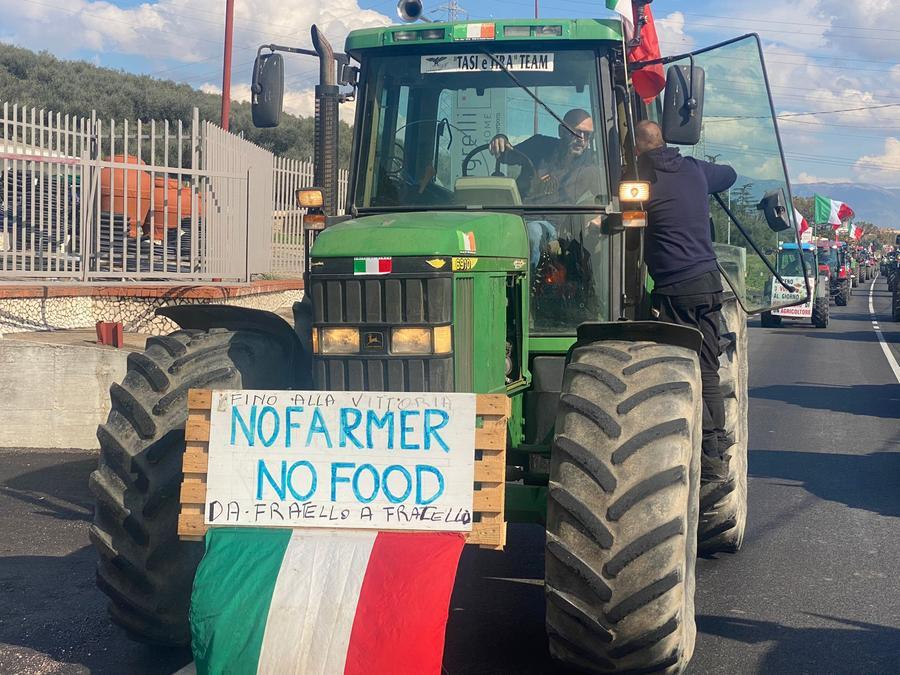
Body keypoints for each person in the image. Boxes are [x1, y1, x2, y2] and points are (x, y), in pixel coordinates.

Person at [634, 120, 738, 484]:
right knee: (707, 368)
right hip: (708, 284)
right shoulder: (694, 169)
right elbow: (730, 173)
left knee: (673, 369)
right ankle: (714, 454)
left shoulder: (642, 182)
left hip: (675, 289)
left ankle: (681, 445)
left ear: (638, 150)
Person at [488, 108, 599, 205]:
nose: (582, 138)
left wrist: (598, 218)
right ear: (561, 131)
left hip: (562, 224)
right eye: (576, 132)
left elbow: (605, 196)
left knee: (535, 229)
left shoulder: (593, 162)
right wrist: (500, 139)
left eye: (587, 134)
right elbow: (506, 156)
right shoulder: (539, 145)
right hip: (521, 214)